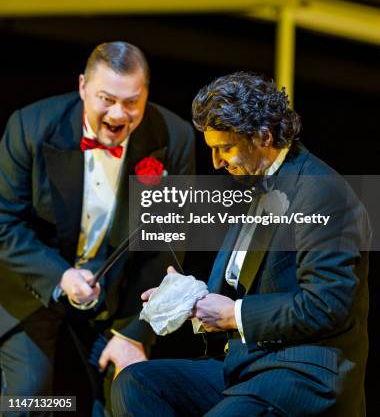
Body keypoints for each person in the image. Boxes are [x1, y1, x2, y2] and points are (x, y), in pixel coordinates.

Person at [112, 71, 369, 417]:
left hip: (303, 374)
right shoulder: (258, 185)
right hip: (249, 367)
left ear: (263, 136)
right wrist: (188, 297)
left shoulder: (321, 191)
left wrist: (233, 315)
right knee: (137, 382)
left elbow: (326, 305)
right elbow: (239, 284)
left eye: (225, 148)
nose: (217, 162)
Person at [0, 41, 195, 415]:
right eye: (107, 99)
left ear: (146, 96)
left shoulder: (174, 137)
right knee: (30, 400)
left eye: (131, 102)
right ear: (82, 88)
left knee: (126, 399)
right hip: (34, 287)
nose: (118, 115)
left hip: (120, 298)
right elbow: (5, 223)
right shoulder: (30, 126)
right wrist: (61, 276)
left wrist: (133, 333)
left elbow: (166, 243)